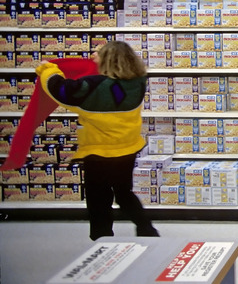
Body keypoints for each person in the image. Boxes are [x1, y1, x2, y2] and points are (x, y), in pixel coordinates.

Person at [36, 41, 159, 241]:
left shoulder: (93, 87)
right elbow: (114, 83)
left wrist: (47, 69)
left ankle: (102, 239)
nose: (95, 56)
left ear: (109, 60)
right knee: (124, 193)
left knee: (98, 200)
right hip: (127, 149)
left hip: (99, 153)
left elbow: (60, 90)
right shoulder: (138, 82)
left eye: (99, 54)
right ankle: (147, 229)